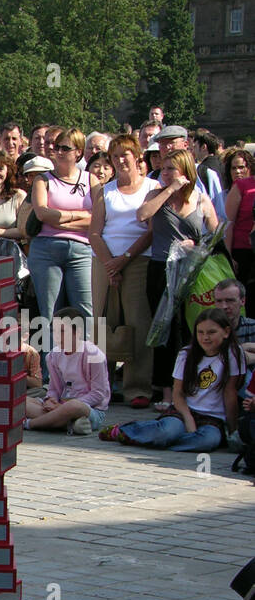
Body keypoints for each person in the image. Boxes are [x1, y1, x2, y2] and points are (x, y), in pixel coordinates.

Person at [138, 150, 220, 402]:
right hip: (162, 270)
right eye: (163, 169)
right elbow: (142, 215)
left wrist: (196, 245)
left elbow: (215, 237)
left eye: (171, 169)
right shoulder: (157, 194)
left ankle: (191, 389)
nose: (165, 173)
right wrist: (168, 189)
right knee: (164, 332)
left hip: (192, 274)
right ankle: (165, 392)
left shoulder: (201, 199)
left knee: (188, 330)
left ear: (186, 171)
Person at [100, 308, 241, 451]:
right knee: (167, 432)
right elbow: (177, 393)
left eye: (211, 332)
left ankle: (157, 440)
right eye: (200, 332)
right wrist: (189, 420)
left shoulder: (233, 355)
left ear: (226, 332)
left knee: (206, 442)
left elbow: (230, 393)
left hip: (212, 419)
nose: (205, 337)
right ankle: (125, 430)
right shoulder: (186, 354)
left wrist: (233, 430)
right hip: (183, 411)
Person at [90, 134, 154, 408]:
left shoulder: (152, 187)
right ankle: (101, 387)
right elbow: (94, 231)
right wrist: (110, 264)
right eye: (114, 156)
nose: (119, 161)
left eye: (124, 155)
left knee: (138, 323)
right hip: (104, 262)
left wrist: (124, 260)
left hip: (138, 261)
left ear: (137, 156)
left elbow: (151, 231)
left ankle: (137, 388)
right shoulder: (106, 190)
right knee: (103, 324)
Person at [28, 128, 94, 328]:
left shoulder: (91, 180)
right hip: (46, 250)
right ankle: (52, 360)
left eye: (65, 148)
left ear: (79, 152)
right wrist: (80, 215)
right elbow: (43, 214)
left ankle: (87, 359)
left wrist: (60, 217)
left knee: (87, 312)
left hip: (83, 250)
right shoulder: (43, 180)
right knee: (50, 315)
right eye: (56, 147)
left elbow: (98, 218)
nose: (58, 151)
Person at [25, 308, 111, 435]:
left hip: (89, 409)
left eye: (63, 331)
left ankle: (30, 424)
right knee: (20, 402)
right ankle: (69, 424)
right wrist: (50, 400)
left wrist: (63, 407)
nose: (57, 336)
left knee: (74, 406)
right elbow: (54, 388)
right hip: (60, 405)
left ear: (78, 332)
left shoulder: (94, 355)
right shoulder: (53, 356)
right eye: (54, 331)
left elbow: (99, 394)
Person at [223, 147, 255, 295]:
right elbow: (228, 223)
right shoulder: (242, 186)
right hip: (243, 251)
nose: (237, 171)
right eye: (233, 168)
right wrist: (228, 256)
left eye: (241, 167)